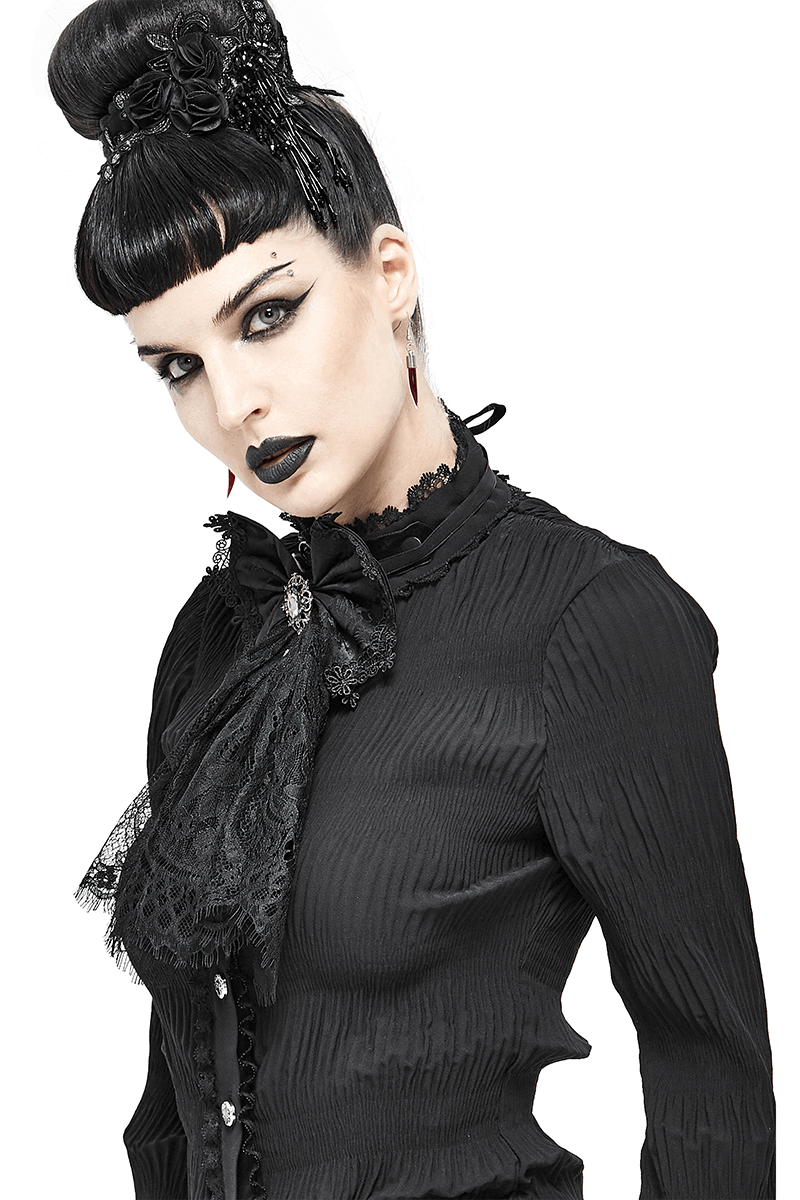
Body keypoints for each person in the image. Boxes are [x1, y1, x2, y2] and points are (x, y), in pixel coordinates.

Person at [49, 2, 775, 1198]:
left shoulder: (593, 623)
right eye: (178, 366)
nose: (231, 405)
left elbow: (710, 1086)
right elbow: (172, 1083)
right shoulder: (221, 631)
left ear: (387, 274)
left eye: (266, 316)